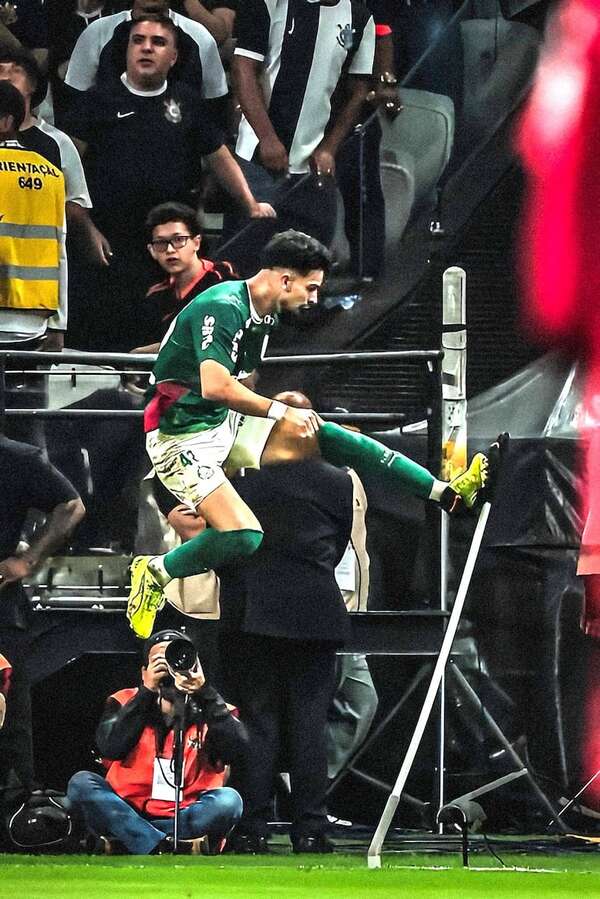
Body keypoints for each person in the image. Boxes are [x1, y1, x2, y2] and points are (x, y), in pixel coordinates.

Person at [127, 228, 488, 639]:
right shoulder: (224, 305)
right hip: (178, 439)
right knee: (245, 535)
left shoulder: (264, 316)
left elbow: (239, 382)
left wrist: (277, 426)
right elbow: (215, 386)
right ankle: (155, 572)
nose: (314, 298)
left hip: (221, 424)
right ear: (285, 280)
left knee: (327, 432)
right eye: (311, 287)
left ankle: (447, 493)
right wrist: (279, 411)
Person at [64, 13, 275, 349]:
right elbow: (66, 170)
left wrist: (250, 203)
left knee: (169, 328)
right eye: (139, 41)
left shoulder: (188, 102)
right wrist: (84, 226)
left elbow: (218, 156)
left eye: (158, 42)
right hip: (110, 238)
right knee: (109, 329)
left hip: (170, 241)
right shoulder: (97, 102)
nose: (146, 49)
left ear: (173, 57)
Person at [224, 0, 376, 272]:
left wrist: (330, 147)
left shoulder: (360, 17)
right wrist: (267, 138)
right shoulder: (271, 4)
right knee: (246, 266)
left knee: (310, 270)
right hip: (258, 163)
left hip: (313, 171)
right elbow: (243, 69)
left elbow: (359, 89)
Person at [67, 629, 245, 854]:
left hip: (186, 814)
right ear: (144, 671)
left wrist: (205, 693)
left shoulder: (216, 709)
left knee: (228, 801)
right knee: (81, 784)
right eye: (161, 660)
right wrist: (146, 692)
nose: (170, 668)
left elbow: (237, 753)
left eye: (177, 659)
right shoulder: (123, 701)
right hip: (128, 807)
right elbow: (110, 747)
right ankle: (168, 844)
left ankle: (131, 840)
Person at [0, 48, 112, 348]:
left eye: (15, 70)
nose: (6, 74)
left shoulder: (56, 145)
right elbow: (58, 246)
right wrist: (58, 320)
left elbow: (68, 226)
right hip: (33, 317)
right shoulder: (49, 175)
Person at [0, 434, 85, 788]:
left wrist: (28, 559)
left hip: (2, 609)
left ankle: (18, 813)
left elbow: (72, 505)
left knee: (12, 716)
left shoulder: (16, 457)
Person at [64, 0, 228, 115]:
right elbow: (75, 100)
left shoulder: (199, 36)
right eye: (138, 41)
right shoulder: (97, 32)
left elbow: (214, 105)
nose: (147, 48)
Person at [0, 81, 65, 348]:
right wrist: (60, 323)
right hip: (34, 323)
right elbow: (61, 252)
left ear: (5, 121)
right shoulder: (52, 174)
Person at [134, 201, 237, 353]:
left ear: (196, 242)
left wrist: (144, 352)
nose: (169, 250)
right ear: (152, 251)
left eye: (178, 240)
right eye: (161, 243)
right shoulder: (155, 295)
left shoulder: (222, 278)